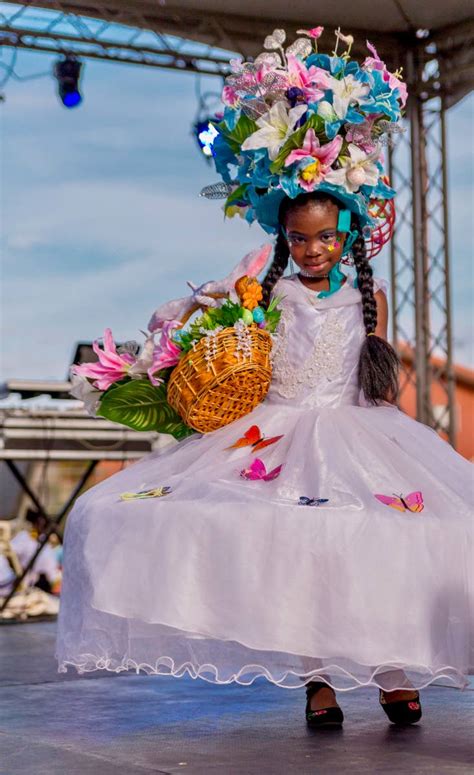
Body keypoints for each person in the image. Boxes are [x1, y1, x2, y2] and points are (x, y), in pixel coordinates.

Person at [56, 26, 473, 729]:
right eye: (300, 238)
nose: (313, 250)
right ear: (284, 236)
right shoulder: (267, 287)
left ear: (347, 235)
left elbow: (376, 369)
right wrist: (171, 335)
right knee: (298, 547)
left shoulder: (367, 295)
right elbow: (201, 306)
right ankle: (318, 680)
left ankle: (393, 669)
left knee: (383, 536)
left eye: (326, 237)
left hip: (356, 427)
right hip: (275, 429)